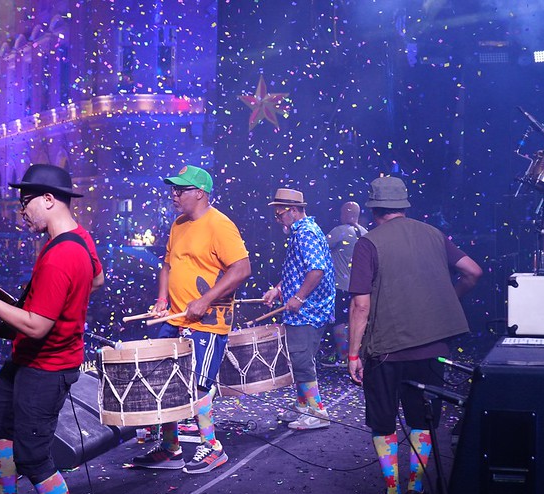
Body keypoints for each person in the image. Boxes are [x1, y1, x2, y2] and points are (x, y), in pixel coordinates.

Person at [0, 164, 104, 494]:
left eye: (26, 203)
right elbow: (98, 278)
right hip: (28, 360)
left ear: (49, 199)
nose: (22, 212)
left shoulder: (59, 255)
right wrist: (68, 301)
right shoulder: (80, 239)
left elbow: (37, 326)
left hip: (46, 368)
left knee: (34, 457)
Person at [347, 175, 482, 494]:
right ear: (404, 206)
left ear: (374, 209)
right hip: (431, 348)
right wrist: (448, 299)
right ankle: (417, 492)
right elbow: (473, 272)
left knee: (384, 421)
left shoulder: (368, 243)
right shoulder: (434, 234)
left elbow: (360, 305)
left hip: (386, 350)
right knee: (422, 420)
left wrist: (353, 353)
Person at [131, 165, 251, 474]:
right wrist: (162, 300)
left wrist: (206, 299)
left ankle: (212, 447)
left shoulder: (220, 225)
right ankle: (171, 448)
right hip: (175, 317)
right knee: (168, 382)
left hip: (206, 322)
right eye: (173, 189)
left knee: (198, 386)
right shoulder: (178, 224)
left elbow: (242, 269)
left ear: (200, 193)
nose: (174, 194)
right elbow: (167, 265)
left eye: (180, 189)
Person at [262, 188, 335, 430]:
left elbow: (316, 270)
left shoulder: (306, 233)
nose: (278, 219)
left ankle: (317, 412)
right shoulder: (300, 232)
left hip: (308, 310)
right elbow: (298, 269)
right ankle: (303, 406)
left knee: (301, 360)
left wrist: (299, 297)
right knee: (298, 359)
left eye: (280, 214)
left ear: (293, 210)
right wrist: (278, 289)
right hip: (303, 308)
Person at [322, 201, 367, 367]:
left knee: (339, 322)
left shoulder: (339, 231)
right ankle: (354, 355)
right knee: (354, 321)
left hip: (340, 286)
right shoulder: (366, 234)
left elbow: (320, 247)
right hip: (360, 287)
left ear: (346, 214)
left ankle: (342, 356)